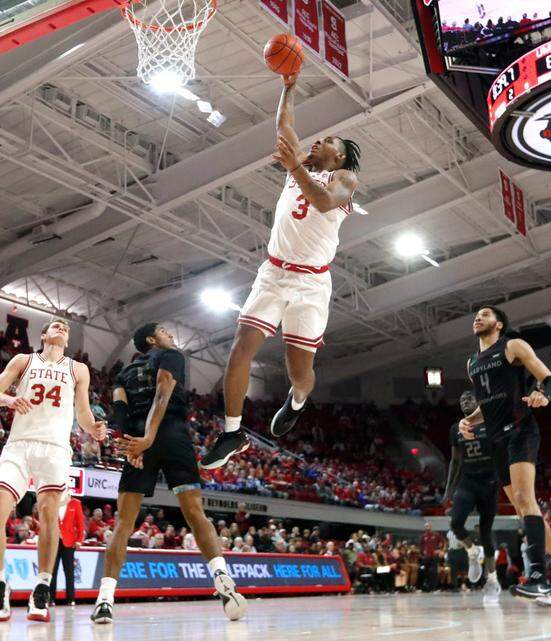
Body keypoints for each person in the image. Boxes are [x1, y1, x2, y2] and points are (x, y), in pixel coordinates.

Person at [203, 68, 362, 468]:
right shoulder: (301, 165)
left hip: (311, 284)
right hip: (273, 273)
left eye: (328, 140)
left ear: (338, 156)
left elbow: (325, 202)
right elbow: (284, 123)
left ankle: (298, 399)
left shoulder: (345, 179)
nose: (320, 140)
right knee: (241, 349)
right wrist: (288, 87)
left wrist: (295, 167)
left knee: (299, 371)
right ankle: (232, 432)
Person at [92, 323, 246, 624]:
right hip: (171, 435)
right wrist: (149, 438)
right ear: (152, 340)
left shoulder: (122, 375)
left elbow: (119, 415)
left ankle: (105, 600)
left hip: (138, 442)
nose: (170, 335)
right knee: (195, 514)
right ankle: (223, 582)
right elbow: (163, 391)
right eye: (163, 331)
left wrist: (129, 447)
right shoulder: (170, 355)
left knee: (123, 523)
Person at [0, 317, 106, 623]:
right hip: (19, 444)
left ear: (67, 339)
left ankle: (41, 588)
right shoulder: (23, 360)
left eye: (65, 328)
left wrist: (94, 428)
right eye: (55, 325)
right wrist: (11, 400)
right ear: (43, 335)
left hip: (54, 448)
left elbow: (82, 412)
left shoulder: (77, 369)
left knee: (50, 514)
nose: (62, 328)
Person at [460, 306, 551, 605]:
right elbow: (486, 406)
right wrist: (468, 421)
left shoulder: (512, 346)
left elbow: (549, 380)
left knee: (526, 500)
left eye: (485, 314)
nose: (478, 317)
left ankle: (538, 576)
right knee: (524, 510)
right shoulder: (471, 362)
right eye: (476, 315)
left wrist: (543, 395)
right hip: (496, 440)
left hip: (521, 430)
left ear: (499, 324)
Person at [443, 390, 502, 602]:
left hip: (490, 483)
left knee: (486, 533)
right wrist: (448, 488)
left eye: (469, 398)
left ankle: (493, 579)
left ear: (478, 402)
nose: (465, 401)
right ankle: (471, 551)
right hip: (468, 482)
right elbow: (455, 461)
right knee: (456, 524)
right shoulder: (455, 429)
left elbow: (501, 451)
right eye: (461, 399)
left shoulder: (490, 422)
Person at [49, 496, 85, 606]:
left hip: (69, 542)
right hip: (54, 541)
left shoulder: (75, 503)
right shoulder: (52, 500)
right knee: (52, 571)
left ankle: (71, 599)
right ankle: (51, 599)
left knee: (69, 571)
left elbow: (80, 524)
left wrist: (79, 540)